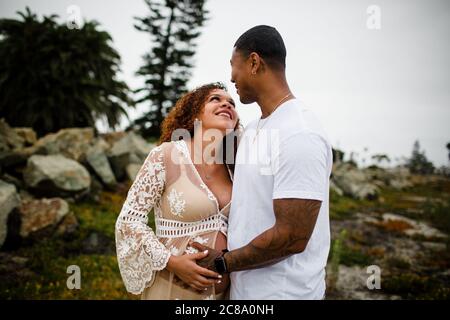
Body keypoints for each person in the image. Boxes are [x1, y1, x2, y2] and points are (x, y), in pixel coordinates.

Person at [191, 25, 333, 300]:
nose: (231, 77)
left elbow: (292, 236)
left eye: (234, 66)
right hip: (242, 293)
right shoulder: (254, 129)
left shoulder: (299, 133)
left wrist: (222, 262)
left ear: (254, 63)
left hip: (284, 294)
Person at [115, 82, 241, 299]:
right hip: (172, 287)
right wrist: (171, 262)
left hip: (225, 295)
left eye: (231, 103)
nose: (226, 104)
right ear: (195, 114)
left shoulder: (235, 168)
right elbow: (129, 220)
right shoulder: (166, 155)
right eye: (215, 99)